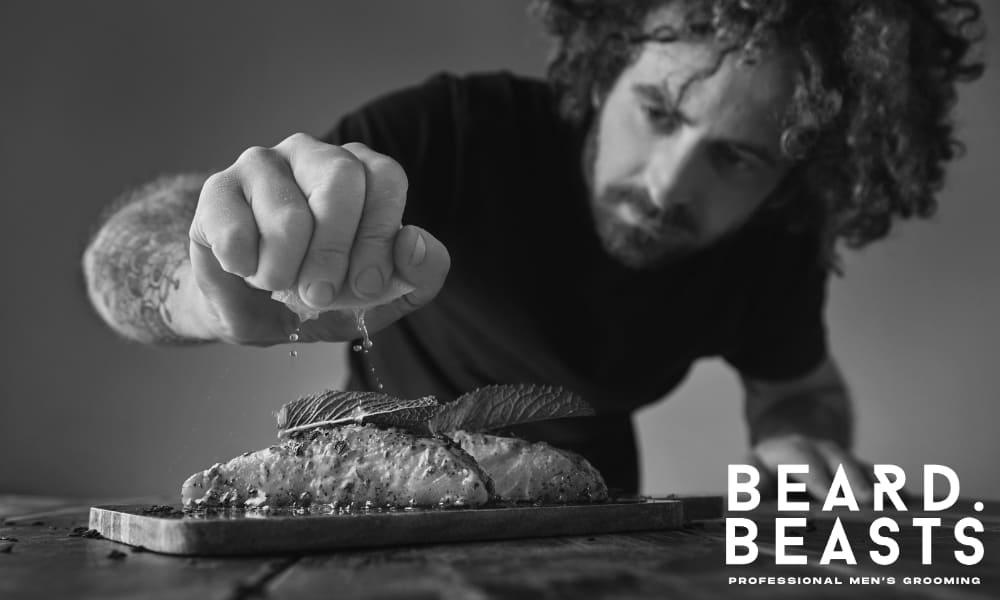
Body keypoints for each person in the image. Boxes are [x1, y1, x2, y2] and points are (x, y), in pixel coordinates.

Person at [81, 0, 984, 497]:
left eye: (738, 157)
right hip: (389, 508)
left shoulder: (771, 247)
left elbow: (798, 393)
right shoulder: (454, 133)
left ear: (798, 175)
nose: (669, 185)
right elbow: (120, 259)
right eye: (660, 112)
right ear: (612, 61)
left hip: (601, 537)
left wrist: (800, 441)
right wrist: (207, 279)